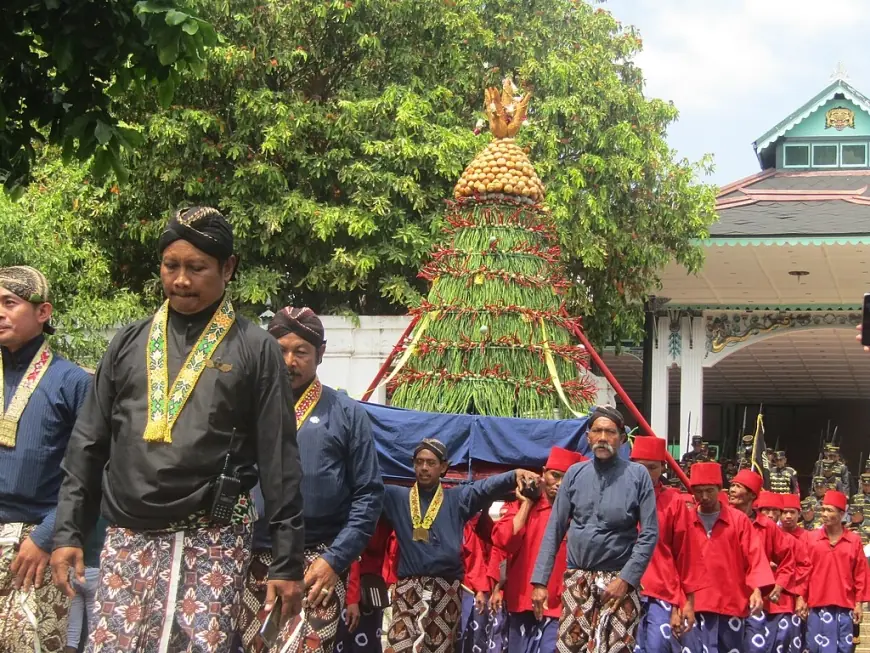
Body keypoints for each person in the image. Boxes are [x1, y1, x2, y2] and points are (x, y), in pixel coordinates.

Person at [51, 207, 305, 651]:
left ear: (228, 268)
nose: (181, 281)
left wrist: (286, 562)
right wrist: (69, 531)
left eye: (196, 267)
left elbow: (279, 459)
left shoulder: (255, 348)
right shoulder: (128, 342)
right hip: (128, 534)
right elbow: (88, 442)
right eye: (171, 266)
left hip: (212, 536)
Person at [239, 306, 384, 652]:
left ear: (320, 354)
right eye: (280, 350)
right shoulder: (246, 410)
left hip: (319, 562)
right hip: (257, 558)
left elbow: (369, 494)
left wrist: (337, 559)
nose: (289, 361)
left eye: (301, 352)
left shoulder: (347, 414)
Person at [0, 266, 92, 653]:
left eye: (9, 303)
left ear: (43, 312)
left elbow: (92, 471)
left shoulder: (73, 382)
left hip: (36, 544)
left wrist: (47, 536)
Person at [381, 438, 537, 653]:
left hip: (446, 590)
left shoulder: (457, 499)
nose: (424, 467)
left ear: (444, 467)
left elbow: (484, 488)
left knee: (440, 649)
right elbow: (365, 489)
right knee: (398, 647)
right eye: (419, 462)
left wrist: (513, 475)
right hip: (409, 588)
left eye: (431, 462)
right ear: (413, 464)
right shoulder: (396, 497)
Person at [531, 406, 658, 653]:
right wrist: (540, 582)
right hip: (578, 580)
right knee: (570, 648)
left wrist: (626, 579)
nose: (602, 437)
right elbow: (555, 528)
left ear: (622, 439)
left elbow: (650, 533)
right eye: (597, 431)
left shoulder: (638, 475)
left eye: (609, 432)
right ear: (588, 437)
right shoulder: (575, 474)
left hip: (619, 582)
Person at [491, 446, 587, 653]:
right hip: (521, 599)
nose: (559, 484)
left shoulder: (579, 513)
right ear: (543, 473)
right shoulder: (520, 506)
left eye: (566, 478)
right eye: (555, 475)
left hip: (561, 604)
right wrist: (525, 505)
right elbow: (503, 540)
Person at [680, 462, 773, 652]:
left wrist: (756, 589)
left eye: (710, 491)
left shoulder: (739, 521)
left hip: (730, 603)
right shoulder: (684, 521)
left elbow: (755, 557)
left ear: (719, 489)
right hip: (693, 604)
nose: (704, 497)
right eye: (699, 491)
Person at [630, 436, 705, 653]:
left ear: (663, 467)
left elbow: (685, 553)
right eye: (639, 467)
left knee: (658, 647)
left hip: (661, 591)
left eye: (652, 468)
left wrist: (686, 602)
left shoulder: (674, 502)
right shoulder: (618, 495)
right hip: (620, 588)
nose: (645, 474)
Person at [729, 477, 797, 653]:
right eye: (732, 485)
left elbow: (787, 559)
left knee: (755, 647)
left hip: (755, 601)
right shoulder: (722, 519)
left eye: (738, 486)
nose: (732, 490)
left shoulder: (768, 527)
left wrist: (780, 584)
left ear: (752, 495)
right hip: (725, 597)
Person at [804, 491, 869, 653]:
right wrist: (801, 598)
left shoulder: (854, 540)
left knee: (843, 648)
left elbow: (860, 573)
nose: (824, 514)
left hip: (845, 606)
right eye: (823, 510)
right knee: (813, 647)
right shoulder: (811, 539)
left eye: (829, 510)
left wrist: (859, 603)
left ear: (841, 514)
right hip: (816, 605)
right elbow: (803, 571)